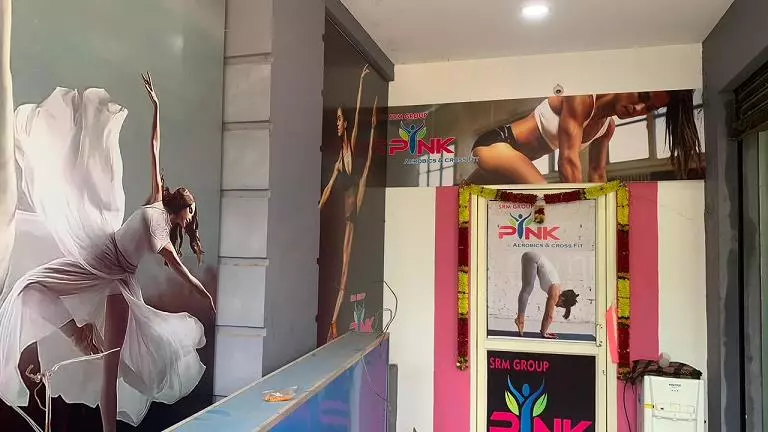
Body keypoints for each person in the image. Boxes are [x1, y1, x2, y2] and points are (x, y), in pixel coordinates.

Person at [0, 72, 215, 431]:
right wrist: (156, 106)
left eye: (191, 216)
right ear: (181, 207)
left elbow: (183, 272)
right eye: (190, 212)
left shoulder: (164, 239)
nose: (189, 218)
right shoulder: (156, 202)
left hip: (118, 281)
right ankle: (79, 333)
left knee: (110, 367)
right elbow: (154, 147)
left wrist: (203, 292)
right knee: (30, 286)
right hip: (99, 252)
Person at [468, 91, 702, 184]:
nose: (638, 108)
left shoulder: (607, 128)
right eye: (642, 96)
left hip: (512, 162)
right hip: (496, 144)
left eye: (648, 109)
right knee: (541, 190)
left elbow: (598, 173)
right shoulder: (581, 99)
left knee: (461, 194)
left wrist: (601, 206)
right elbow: (568, 160)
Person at [319, 64, 378, 342]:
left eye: (340, 119)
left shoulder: (350, 147)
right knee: (342, 268)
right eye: (336, 120)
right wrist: (317, 209)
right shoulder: (337, 162)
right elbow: (329, 188)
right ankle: (334, 323)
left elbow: (356, 109)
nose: (337, 123)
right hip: (346, 211)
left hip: (356, 204)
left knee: (344, 270)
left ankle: (333, 322)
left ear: (346, 124)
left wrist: (361, 83)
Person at [516, 251, 579, 339]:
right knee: (527, 288)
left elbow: (548, 315)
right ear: (562, 298)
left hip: (533, 257)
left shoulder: (556, 288)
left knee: (528, 287)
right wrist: (544, 333)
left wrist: (543, 331)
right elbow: (549, 316)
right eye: (560, 305)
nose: (557, 306)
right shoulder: (555, 292)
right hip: (533, 258)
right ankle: (520, 320)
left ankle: (520, 319)